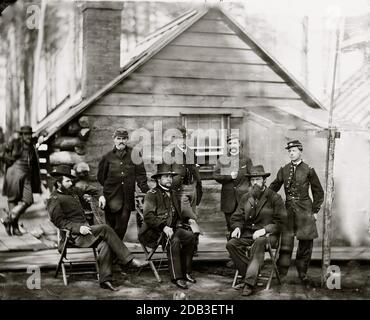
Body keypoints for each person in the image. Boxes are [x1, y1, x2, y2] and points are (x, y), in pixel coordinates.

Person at [47, 165, 149, 291]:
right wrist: (78, 228)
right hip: (73, 236)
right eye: (67, 181)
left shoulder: (73, 191)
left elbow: (93, 189)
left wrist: (100, 196)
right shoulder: (54, 199)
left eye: (71, 180)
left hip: (86, 233)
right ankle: (129, 260)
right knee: (105, 228)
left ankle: (105, 280)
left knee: (106, 243)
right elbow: (59, 222)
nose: (71, 183)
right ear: (58, 183)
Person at [269, 140, 324, 287]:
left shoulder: (309, 169)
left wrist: (315, 210)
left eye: (294, 150)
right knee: (286, 244)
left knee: (305, 245)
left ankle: (302, 274)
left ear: (300, 151)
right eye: (290, 151)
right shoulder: (284, 169)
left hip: (305, 211)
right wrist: (266, 198)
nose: (291, 153)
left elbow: (318, 192)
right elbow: (274, 187)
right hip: (288, 212)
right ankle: (281, 274)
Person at [226, 165, 286, 296]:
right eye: (252, 180)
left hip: (268, 235)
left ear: (264, 180)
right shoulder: (246, 197)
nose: (254, 183)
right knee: (231, 244)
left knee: (259, 242)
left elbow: (281, 223)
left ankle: (249, 283)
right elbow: (237, 216)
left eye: (258, 179)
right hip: (248, 233)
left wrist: (264, 230)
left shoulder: (274, 198)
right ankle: (250, 274)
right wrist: (237, 227)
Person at [139, 163, 198, 290]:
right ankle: (177, 277)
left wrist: (189, 220)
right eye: (166, 177)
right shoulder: (152, 194)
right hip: (153, 232)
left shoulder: (173, 193)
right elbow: (148, 216)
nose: (169, 180)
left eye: (170, 177)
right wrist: (163, 227)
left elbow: (177, 214)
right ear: (158, 179)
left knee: (190, 236)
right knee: (174, 240)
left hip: (172, 229)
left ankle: (186, 272)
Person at [97, 128, 149, 240]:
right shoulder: (107, 157)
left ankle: (114, 253)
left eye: (124, 138)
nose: (121, 141)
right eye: (118, 138)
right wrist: (110, 188)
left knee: (121, 228)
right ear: (114, 139)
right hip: (110, 198)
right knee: (110, 228)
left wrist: (147, 191)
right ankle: (113, 255)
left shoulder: (135, 154)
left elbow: (141, 175)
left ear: (127, 139)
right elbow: (101, 177)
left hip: (126, 198)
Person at [164, 126, 203, 254]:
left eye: (183, 137)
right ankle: (181, 246)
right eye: (178, 137)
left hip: (192, 188)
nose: (181, 140)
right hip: (178, 190)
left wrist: (197, 186)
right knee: (183, 217)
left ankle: (193, 247)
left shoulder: (191, 152)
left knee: (192, 215)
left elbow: (195, 170)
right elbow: (165, 173)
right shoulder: (170, 153)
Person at [1, 126, 41, 236]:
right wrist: (7, 159)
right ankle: (14, 227)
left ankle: (8, 219)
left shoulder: (31, 146)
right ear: (22, 135)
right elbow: (2, 152)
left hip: (27, 175)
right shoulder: (14, 143)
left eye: (29, 134)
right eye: (26, 134)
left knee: (28, 200)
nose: (28, 136)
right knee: (13, 200)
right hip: (14, 172)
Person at [213, 133, 253, 236]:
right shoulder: (223, 159)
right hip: (228, 199)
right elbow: (216, 175)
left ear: (239, 144)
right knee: (231, 226)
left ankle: (243, 249)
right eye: (230, 143)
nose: (232, 145)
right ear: (228, 145)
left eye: (235, 142)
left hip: (243, 198)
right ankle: (233, 249)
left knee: (244, 226)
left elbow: (252, 177)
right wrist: (229, 176)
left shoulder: (246, 160)